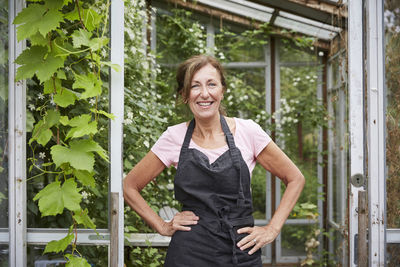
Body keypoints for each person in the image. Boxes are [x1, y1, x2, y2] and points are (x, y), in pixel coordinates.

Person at [123, 55, 305, 267]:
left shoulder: (248, 132)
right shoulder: (174, 137)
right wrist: (163, 226)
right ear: (184, 94)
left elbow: (295, 178)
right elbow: (129, 186)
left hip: (241, 251)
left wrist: (272, 229)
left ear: (222, 90)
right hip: (189, 253)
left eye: (211, 84)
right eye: (195, 86)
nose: (204, 93)